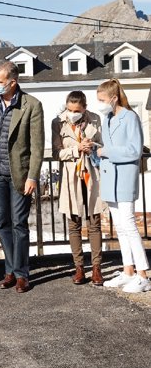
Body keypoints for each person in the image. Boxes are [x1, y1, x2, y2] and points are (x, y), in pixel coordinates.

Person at [0, 61, 44, 293]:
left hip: (19, 175)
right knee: (2, 223)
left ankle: (22, 274)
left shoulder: (31, 105)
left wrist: (33, 176)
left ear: (13, 82)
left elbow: (37, 146)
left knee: (19, 224)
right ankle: (10, 270)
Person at [93, 79, 149, 292]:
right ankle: (128, 271)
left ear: (114, 98)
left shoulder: (130, 117)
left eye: (102, 99)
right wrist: (97, 149)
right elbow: (108, 147)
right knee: (120, 227)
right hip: (110, 179)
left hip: (124, 178)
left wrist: (106, 151)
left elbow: (135, 150)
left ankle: (143, 275)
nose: (100, 103)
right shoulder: (107, 118)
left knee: (129, 225)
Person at [52, 91, 104, 285]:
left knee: (94, 223)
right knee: (74, 224)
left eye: (77, 110)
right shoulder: (58, 122)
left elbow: (103, 145)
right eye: (70, 110)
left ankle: (97, 268)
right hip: (71, 176)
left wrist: (92, 146)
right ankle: (79, 268)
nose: (73, 113)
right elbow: (57, 153)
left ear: (84, 108)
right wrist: (76, 149)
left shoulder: (95, 119)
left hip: (92, 175)